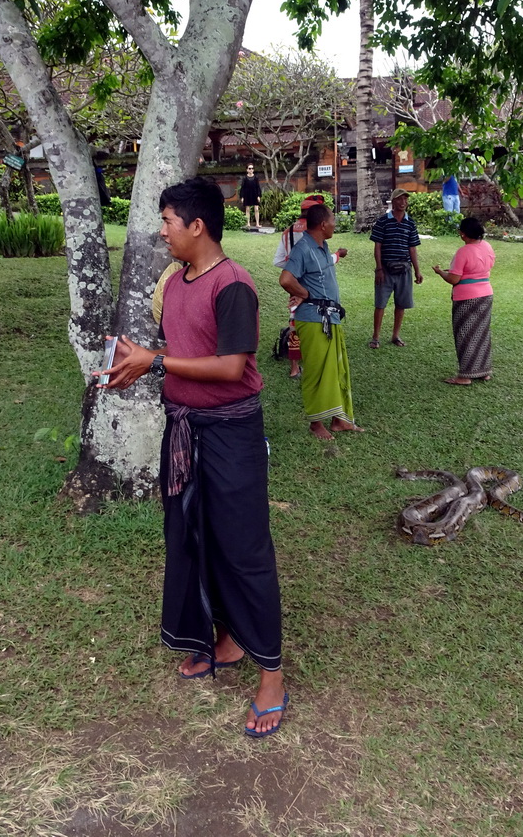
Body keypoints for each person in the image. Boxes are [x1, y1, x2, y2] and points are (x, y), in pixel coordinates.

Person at [95, 177, 287, 739]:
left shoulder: (234, 285)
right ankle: (216, 638)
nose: (162, 232)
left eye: (168, 222)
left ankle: (271, 675)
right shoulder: (174, 284)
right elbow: (176, 353)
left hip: (231, 436)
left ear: (197, 225)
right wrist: (135, 362)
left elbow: (231, 368)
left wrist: (154, 362)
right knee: (192, 536)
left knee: (243, 547)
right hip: (183, 431)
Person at [279, 203, 363, 440]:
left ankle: (339, 420)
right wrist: (304, 293)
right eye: (333, 220)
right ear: (324, 224)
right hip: (314, 319)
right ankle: (316, 424)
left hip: (330, 318)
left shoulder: (322, 246)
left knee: (336, 370)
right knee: (317, 372)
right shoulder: (303, 248)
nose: (335, 223)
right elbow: (286, 279)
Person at [273, 195, 347, 379]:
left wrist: (295, 268)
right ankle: (310, 364)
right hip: (307, 291)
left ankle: (294, 366)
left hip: (296, 288)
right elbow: (318, 263)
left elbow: (279, 261)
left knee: (293, 326)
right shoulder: (311, 237)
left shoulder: (288, 232)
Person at [432, 216, 496, 385]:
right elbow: (484, 267)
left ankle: (465, 375)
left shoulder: (463, 251)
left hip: (467, 297)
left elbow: (454, 279)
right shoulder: (487, 246)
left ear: (463, 234)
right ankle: (484, 371)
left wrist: (440, 272)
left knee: (465, 334)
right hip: (486, 294)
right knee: (482, 333)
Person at [369, 187, 423, 348]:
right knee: (380, 304)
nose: (403, 202)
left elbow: (412, 248)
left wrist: (417, 270)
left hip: (404, 269)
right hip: (385, 269)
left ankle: (395, 335)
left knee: (401, 304)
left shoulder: (410, 222)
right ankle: (375, 337)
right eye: (400, 199)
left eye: (405, 199)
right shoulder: (383, 221)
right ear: (393, 202)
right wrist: (379, 269)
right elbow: (377, 247)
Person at [239, 163, 262, 228]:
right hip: (247, 194)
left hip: (254, 194)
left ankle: (257, 223)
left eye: (252, 168)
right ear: (247, 170)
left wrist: (258, 196)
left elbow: (258, 187)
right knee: (247, 209)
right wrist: (242, 196)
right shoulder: (245, 178)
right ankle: (248, 223)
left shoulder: (256, 177)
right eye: (249, 168)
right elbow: (242, 188)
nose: (251, 170)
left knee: (256, 209)